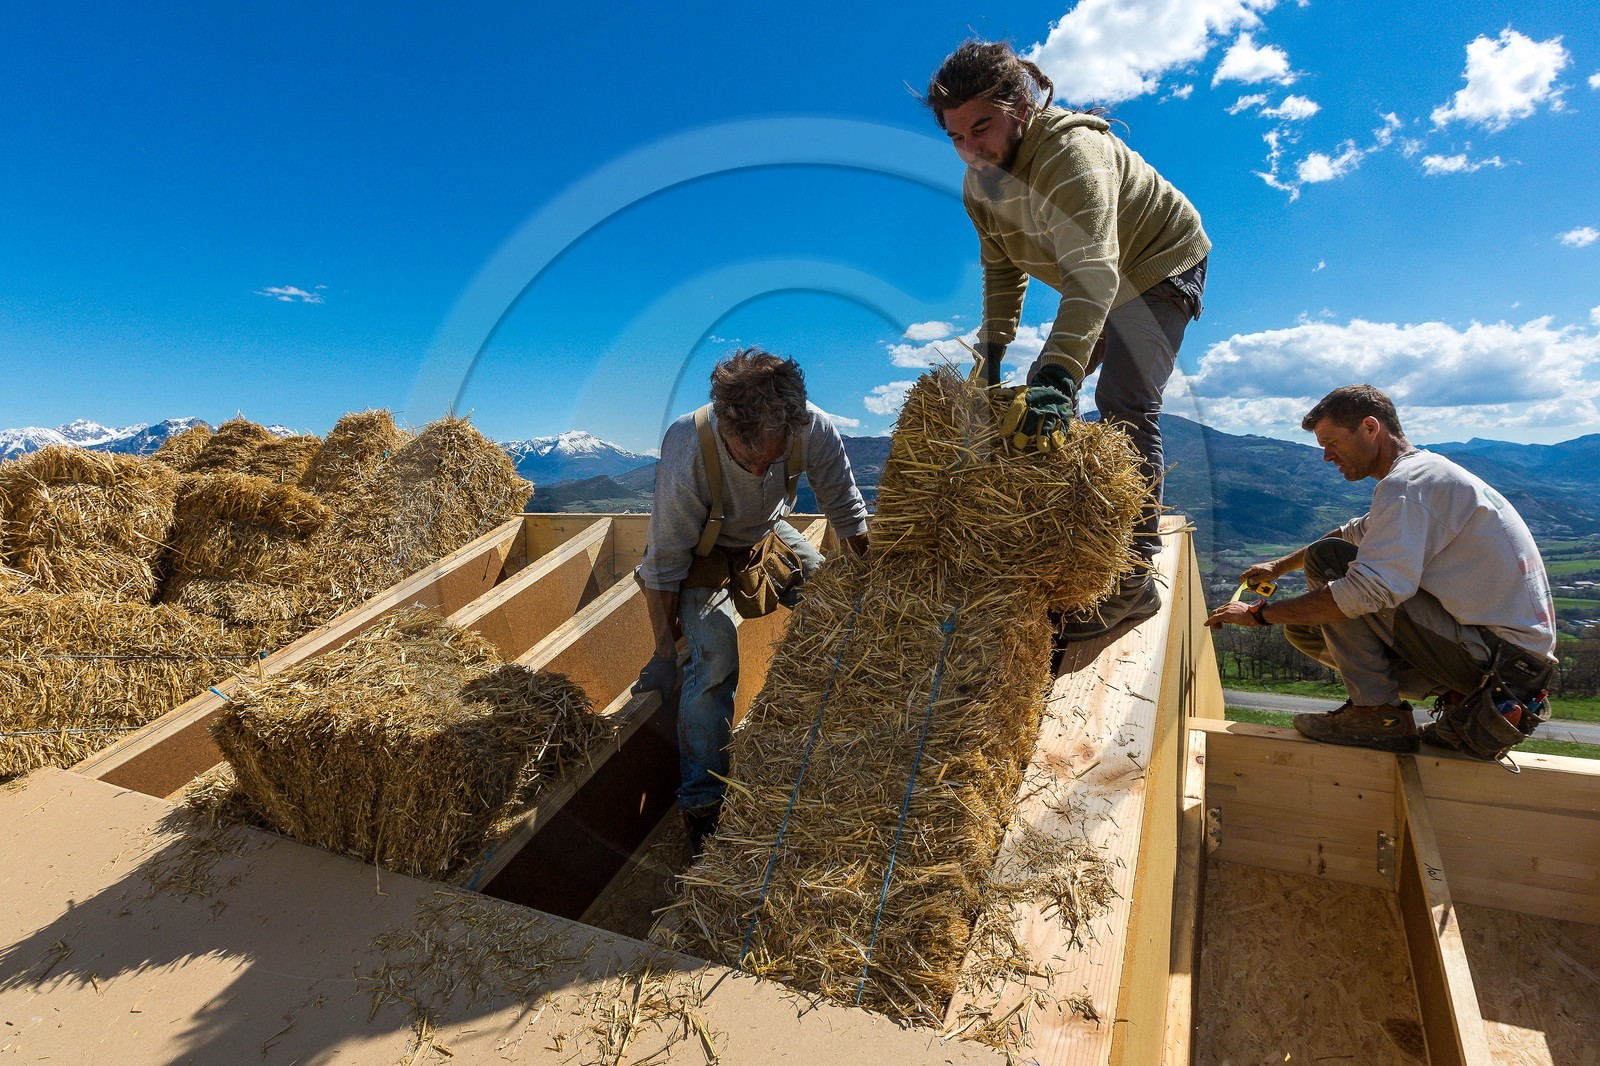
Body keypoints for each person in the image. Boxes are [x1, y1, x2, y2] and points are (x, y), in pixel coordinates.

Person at [925, 39, 1211, 638]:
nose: (971, 149)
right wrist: (993, 352)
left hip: (1158, 264)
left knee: (1125, 404)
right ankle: (1069, 551)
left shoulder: (1072, 154)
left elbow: (1093, 274)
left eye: (983, 127)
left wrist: (1062, 375)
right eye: (956, 137)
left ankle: (1132, 581)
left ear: (1019, 109)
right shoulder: (980, 185)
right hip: (1102, 274)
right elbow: (1000, 268)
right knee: (1036, 395)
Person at [1205, 385, 1557, 754]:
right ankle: (1455, 701)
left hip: (1498, 666)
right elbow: (1353, 532)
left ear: (1370, 428)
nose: (1327, 456)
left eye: (1332, 442)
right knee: (1305, 629)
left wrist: (1259, 616)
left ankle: (1376, 714)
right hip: (1508, 666)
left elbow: (1367, 589)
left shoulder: (1408, 484)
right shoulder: (1426, 475)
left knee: (1328, 561)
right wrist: (1279, 566)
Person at [633, 348, 870, 854]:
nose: (762, 470)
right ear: (724, 424)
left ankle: (845, 742)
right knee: (714, 661)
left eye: (773, 459)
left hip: (767, 532)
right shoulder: (689, 444)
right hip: (703, 548)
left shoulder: (813, 428)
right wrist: (663, 651)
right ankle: (703, 804)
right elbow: (663, 561)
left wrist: (873, 590)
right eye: (748, 460)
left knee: (836, 609)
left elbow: (847, 512)